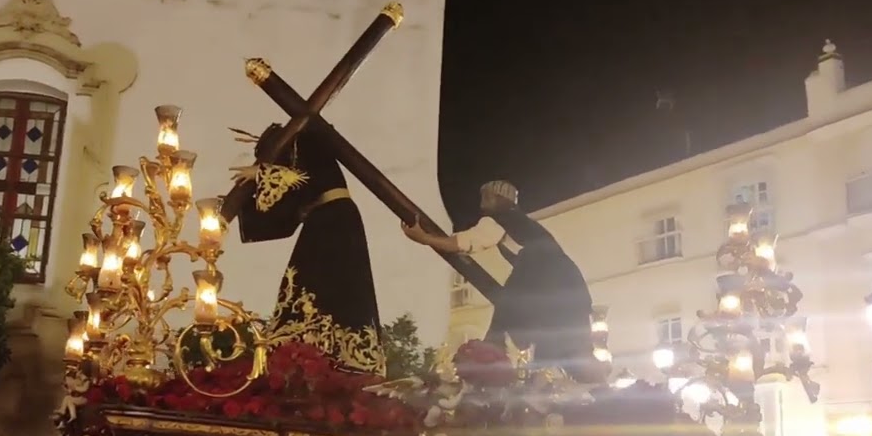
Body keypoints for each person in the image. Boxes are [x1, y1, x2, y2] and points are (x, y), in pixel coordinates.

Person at [229, 123, 385, 375]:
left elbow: (306, 179)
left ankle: (330, 350)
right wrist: (239, 205)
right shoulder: (303, 152)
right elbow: (285, 211)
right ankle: (307, 346)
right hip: (322, 223)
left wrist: (262, 173)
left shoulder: (309, 141)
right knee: (306, 284)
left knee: (320, 284)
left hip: (334, 223)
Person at [402, 180, 597, 379]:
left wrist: (425, 238)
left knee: (511, 309)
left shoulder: (499, 219)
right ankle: (586, 385)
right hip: (571, 289)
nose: (481, 204)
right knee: (566, 346)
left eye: (486, 197)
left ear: (500, 199)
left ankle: (492, 356)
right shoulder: (525, 225)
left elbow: (463, 242)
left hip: (544, 280)